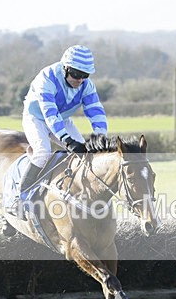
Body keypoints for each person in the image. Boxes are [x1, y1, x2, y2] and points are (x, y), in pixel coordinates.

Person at [17, 44, 108, 207]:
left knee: (85, 154)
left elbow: (95, 111)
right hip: (36, 118)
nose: (80, 80)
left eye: (85, 75)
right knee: (43, 152)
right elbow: (50, 113)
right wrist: (67, 140)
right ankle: (21, 198)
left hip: (62, 119)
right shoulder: (47, 78)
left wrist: (100, 137)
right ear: (65, 68)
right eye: (76, 74)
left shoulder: (87, 85)